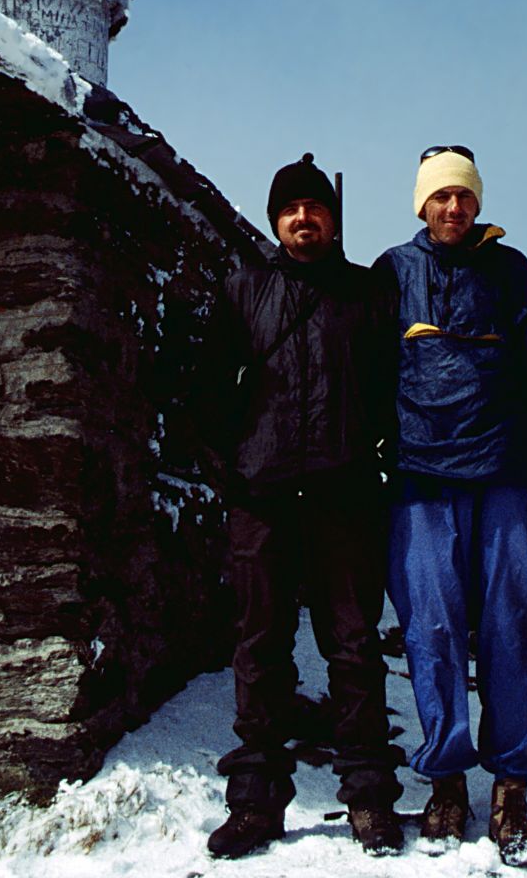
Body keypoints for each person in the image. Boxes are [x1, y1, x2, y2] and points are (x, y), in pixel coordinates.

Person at [373, 145, 527, 867]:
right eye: (441, 197)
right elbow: (365, 370)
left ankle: (511, 784)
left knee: (514, 624)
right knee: (431, 628)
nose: (454, 208)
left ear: (477, 203)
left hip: (503, 478)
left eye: (465, 197)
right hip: (421, 479)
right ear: (421, 204)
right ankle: (447, 780)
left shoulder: (511, 272)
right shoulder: (392, 272)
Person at [201, 153, 403, 859]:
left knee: (352, 647)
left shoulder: (364, 295)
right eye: (291, 209)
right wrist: (231, 469)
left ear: (332, 218)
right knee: (260, 646)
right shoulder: (243, 291)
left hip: (344, 497)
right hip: (263, 497)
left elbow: (393, 388)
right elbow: (202, 386)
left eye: (315, 208)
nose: (303, 219)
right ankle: (255, 798)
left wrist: (376, 457)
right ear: (275, 219)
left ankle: (370, 796)